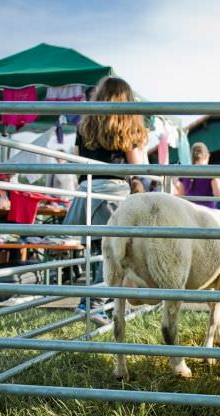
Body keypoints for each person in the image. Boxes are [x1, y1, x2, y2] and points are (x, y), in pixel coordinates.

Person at [63, 76, 148, 325]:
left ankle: (109, 303)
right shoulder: (124, 126)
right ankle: (93, 303)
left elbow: (77, 161)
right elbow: (135, 166)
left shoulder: (86, 124)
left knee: (102, 251)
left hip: (87, 188)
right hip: (112, 192)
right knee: (114, 254)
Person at [174, 142, 220, 208]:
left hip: (190, 213)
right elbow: (218, 195)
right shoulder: (211, 172)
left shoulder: (184, 173)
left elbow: (182, 197)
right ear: (207, 156)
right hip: (207, 213)